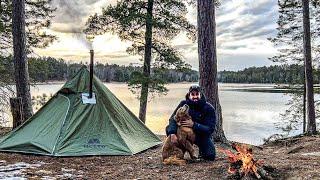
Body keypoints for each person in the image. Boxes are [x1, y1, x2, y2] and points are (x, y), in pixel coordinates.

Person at [165, 85, 216, 161]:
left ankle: (201, 151)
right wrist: (172, 133)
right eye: (192, 94)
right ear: (189, 95)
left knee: (210, 156)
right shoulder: (183, 104)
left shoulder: (209, 108)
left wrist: (194, 125)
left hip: (200, 135)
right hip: (184, 134)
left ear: (200, 95)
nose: (195, 97)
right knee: (169, 128)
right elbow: (173, 119)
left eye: (197, 94)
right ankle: (178, 151)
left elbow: (210, 129)